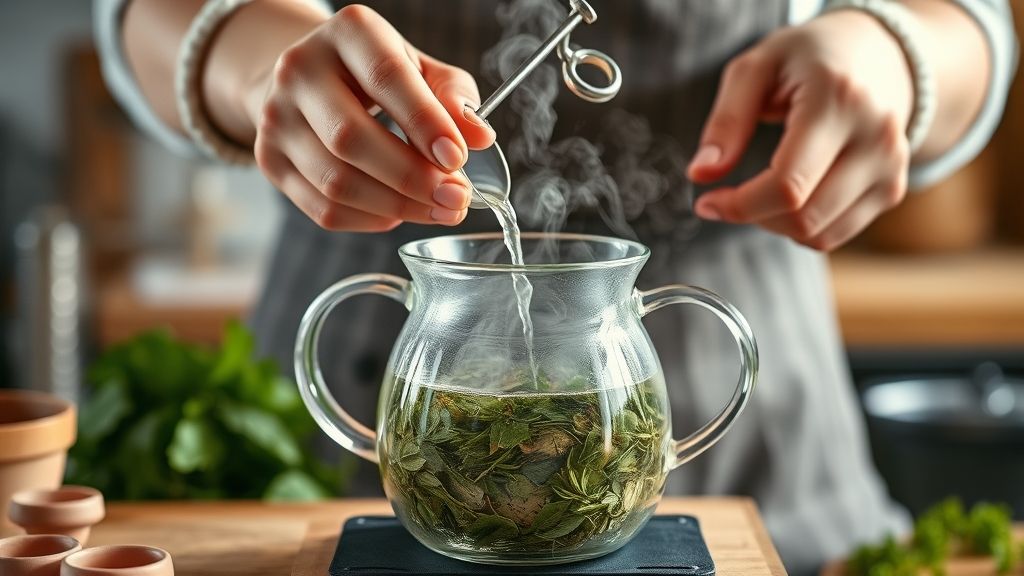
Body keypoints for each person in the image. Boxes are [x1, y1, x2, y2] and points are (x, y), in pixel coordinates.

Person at [94, 0, 1016, 573]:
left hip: (775, 480)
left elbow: (971, 25)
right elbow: (142, 16)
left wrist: (891, 56)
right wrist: (258, 61)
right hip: (329, 486)